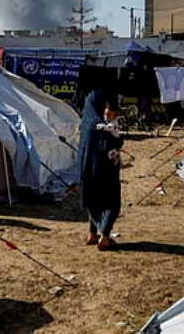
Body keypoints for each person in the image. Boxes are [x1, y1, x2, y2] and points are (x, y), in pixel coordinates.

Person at [79, 90, 123, 251]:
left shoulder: (87, 123)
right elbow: (108, 145)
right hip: (105, 169)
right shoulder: (101, 127)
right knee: (111, 202)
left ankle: (92, 234)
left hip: (88, 170)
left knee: (93, 199)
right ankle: (104, 237)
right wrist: (118, 144)